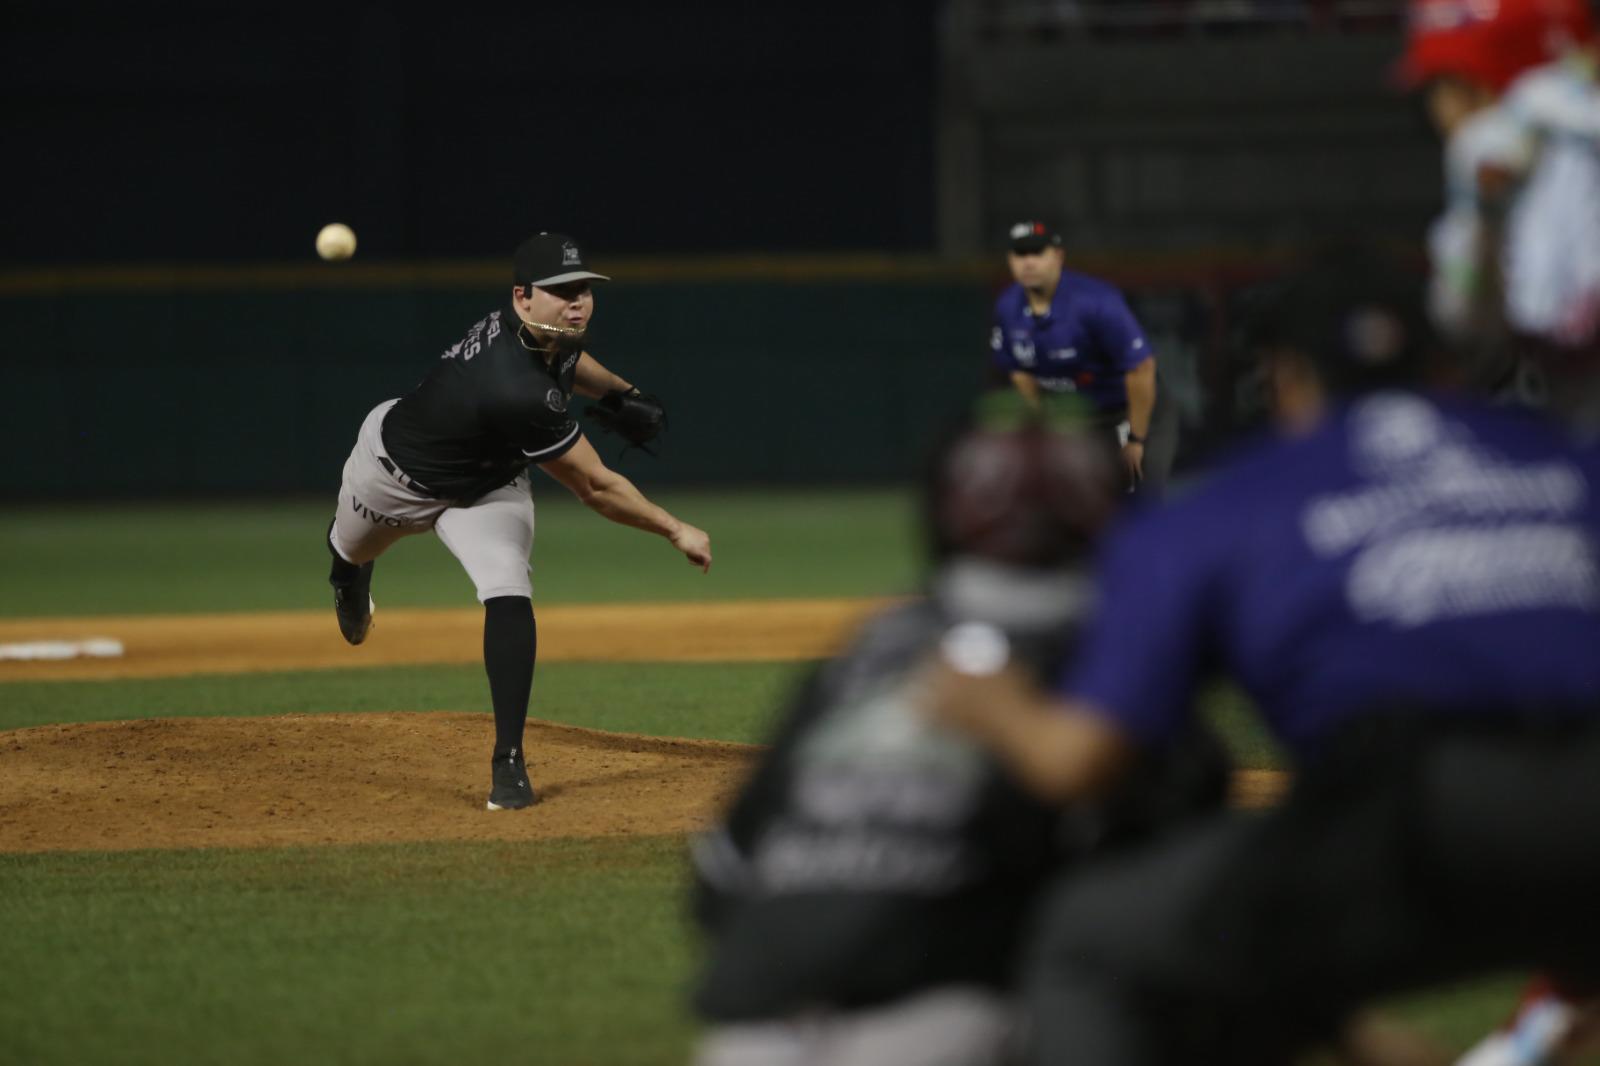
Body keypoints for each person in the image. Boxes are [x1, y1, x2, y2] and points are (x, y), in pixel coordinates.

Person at [930, 258, 1600, 1065]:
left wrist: (990, 702)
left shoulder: (1224, 506)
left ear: (1283, 380)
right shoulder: (1567, 464)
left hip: (1420, 815)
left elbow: (1080, 760)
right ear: (1447, 372)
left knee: (1091, 947)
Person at [688, 405, 1229, 1066]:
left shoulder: (871, 647)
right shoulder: (1099, 647)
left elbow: (718, 878)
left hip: (751, 1026)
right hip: (944, 1023)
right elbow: (1185, 845)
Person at [325, 232, 712, 811]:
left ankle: (508, 762)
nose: (576, 301)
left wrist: (618, 393)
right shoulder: (512, 387)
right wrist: (675, 528)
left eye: (582, 289)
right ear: (522, 297)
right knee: (351, 553)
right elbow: (595, 486)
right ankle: (348, 583)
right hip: (392, 478)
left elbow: (569, 360)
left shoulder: (536, 333)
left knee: (508, 590)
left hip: (485, 485)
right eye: (560, 291)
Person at [1396, 0, 1600, 422]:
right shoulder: (1495, 156)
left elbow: (1463, 317)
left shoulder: (1486, 143)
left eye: (1444, 87)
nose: (1437, 109)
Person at [987, 220, 1177, 493]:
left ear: (1058, 256)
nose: (1028, 262)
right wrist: (1043, 423)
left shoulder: (1095, 302)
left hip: (1132, 411)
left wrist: (1135, 440)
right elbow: (1018, 370)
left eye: (1037, 253)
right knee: (1075, 504)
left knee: (1138, 503)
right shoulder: (1007, 307)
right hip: (1082, 420)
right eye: (1020, 254)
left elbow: (1141, 368)